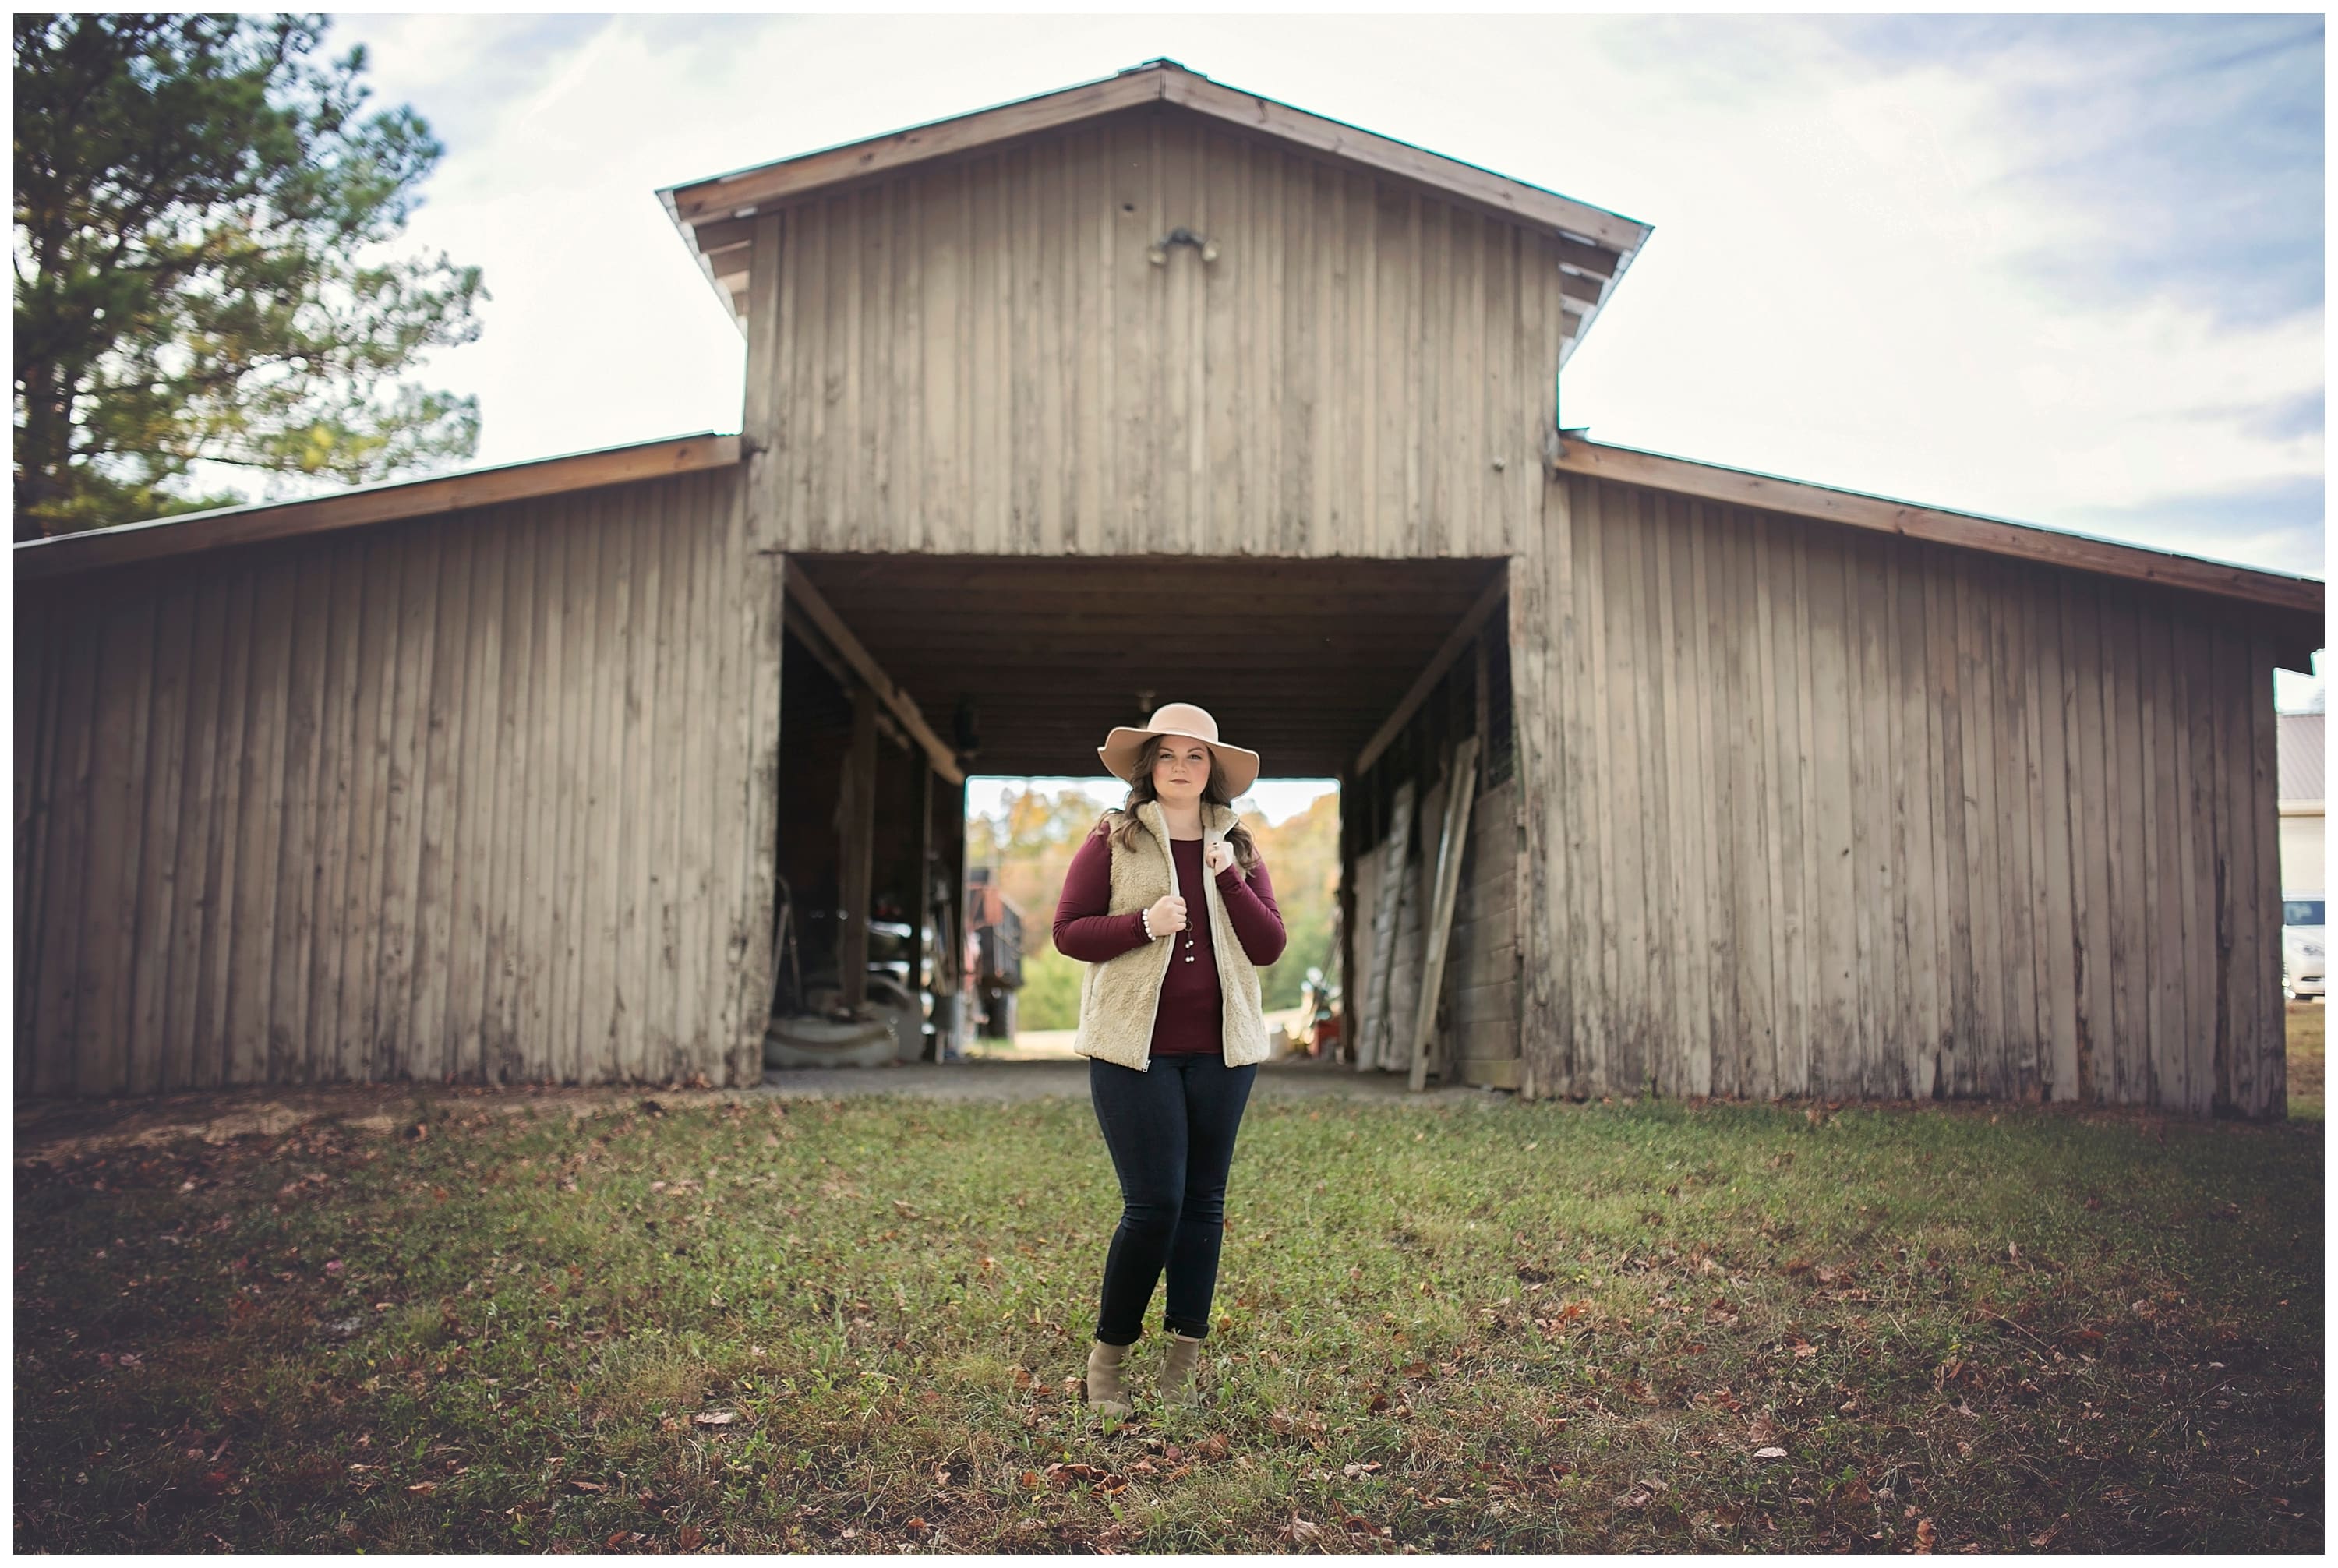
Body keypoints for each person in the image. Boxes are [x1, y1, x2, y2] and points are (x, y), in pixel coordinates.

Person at [1051, 702, 1286, 1420]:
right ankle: (1107, 1366)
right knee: (1153, 1207)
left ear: (1212, 770)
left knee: (1204, 1209)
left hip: (1224, 1055)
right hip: (1134, 1053)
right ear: (1148, 767)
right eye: (1168, 756)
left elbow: (1269, 945)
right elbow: (1068, 932)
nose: (1182, 768)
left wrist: (1227, 880)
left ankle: (1182, 1368)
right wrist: (1142, 924)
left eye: (1196, 757)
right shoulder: (1113, 837)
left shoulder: (1238, 846)